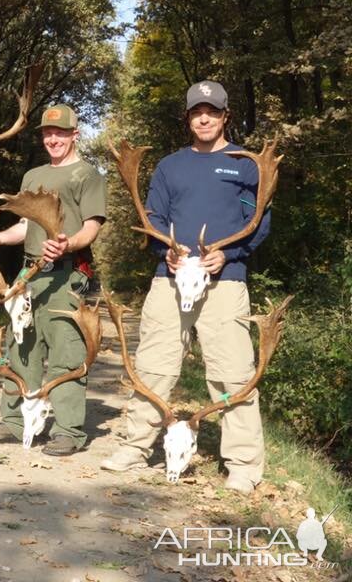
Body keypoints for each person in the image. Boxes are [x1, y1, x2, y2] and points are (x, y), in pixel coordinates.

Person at [100, 81, 271, 494]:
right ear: (189, 117)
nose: (205, 118)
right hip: (169, 280)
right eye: (197, 111)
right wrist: (167, 253)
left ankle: (243, 464)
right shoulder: (169, 166)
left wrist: (229, 255)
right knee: (154, 366)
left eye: (212, 111)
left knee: (233, 372)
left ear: (226, 115)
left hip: (225, 282)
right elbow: (153, 217)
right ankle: (134, 446)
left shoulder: (246, 164)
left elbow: (260, 221)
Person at [0, 104, 106, 456]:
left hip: (68, 275)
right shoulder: (32, 177)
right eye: (48, 133)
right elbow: (25, 226)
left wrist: (67, 244)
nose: (53, 139)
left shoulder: (87, 175)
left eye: (60, 133)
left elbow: (91, 227)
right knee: (20, 347)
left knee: (66, 349)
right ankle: (14, 421)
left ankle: (68, 430)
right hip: (28, 275)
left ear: (74, 134)